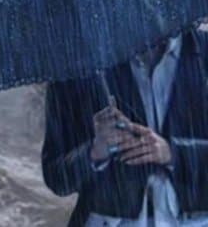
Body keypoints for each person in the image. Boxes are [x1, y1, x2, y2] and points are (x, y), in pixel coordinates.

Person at [42, 28, 208, 226]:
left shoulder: (202, 54)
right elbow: (56, 178)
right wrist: (95, 151)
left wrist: (172, 153)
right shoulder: (77, 67)